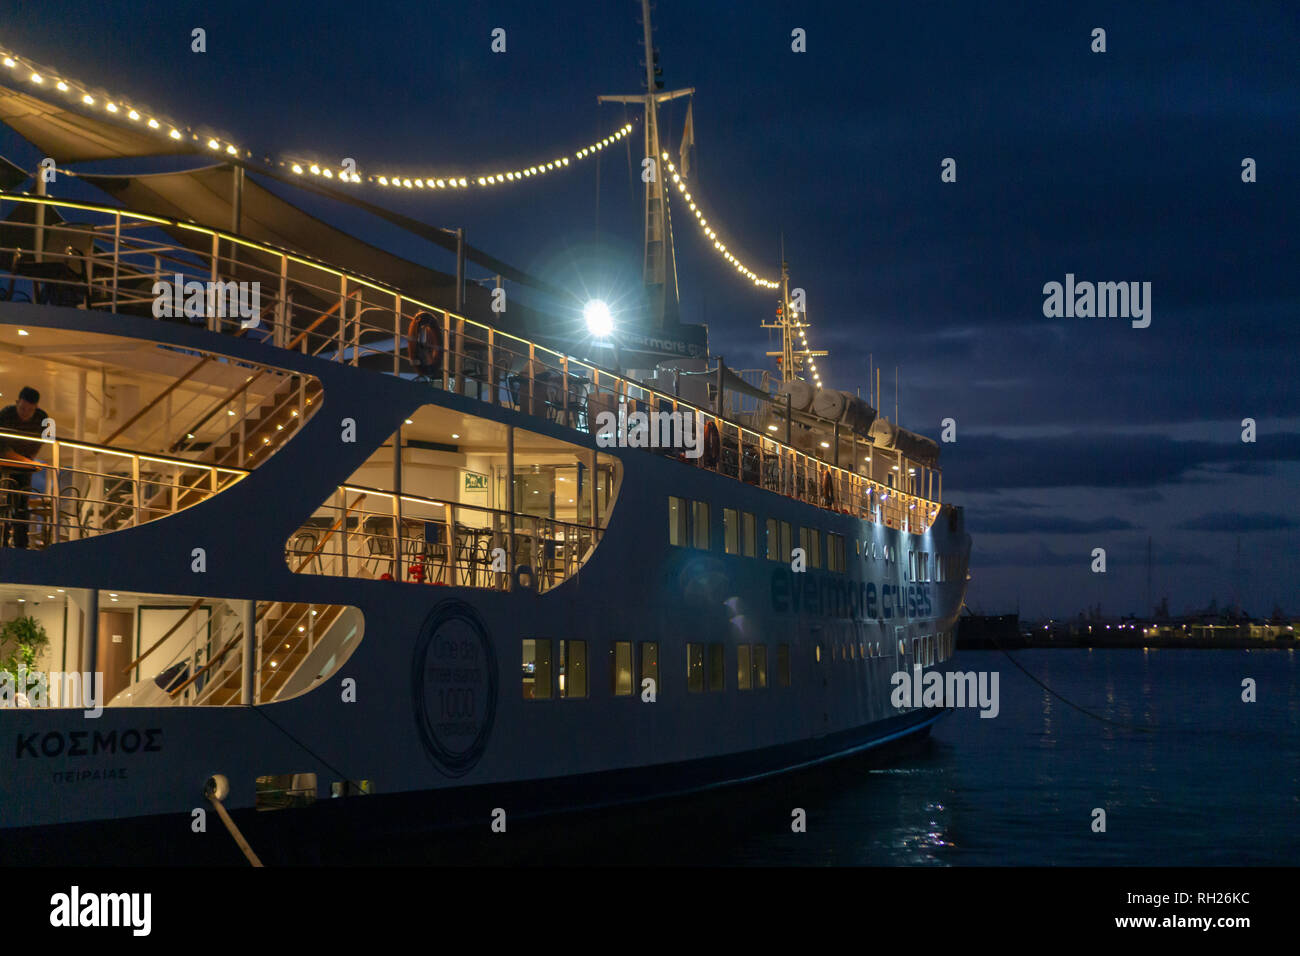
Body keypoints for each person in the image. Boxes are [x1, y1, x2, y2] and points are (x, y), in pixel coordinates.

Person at [0, 387, 49, 548]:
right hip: (4, 467)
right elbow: (3, 449)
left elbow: (38, 443)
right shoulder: (6, 415)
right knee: (4, 504)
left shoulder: (41, 418)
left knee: (21, 506)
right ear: (16, 403)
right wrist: (28, 462)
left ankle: (21, 545)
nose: (25, 413)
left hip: (23, 468)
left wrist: (28, 460)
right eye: (22, 408)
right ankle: (3, 542)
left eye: (30, 410)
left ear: (36, 408)